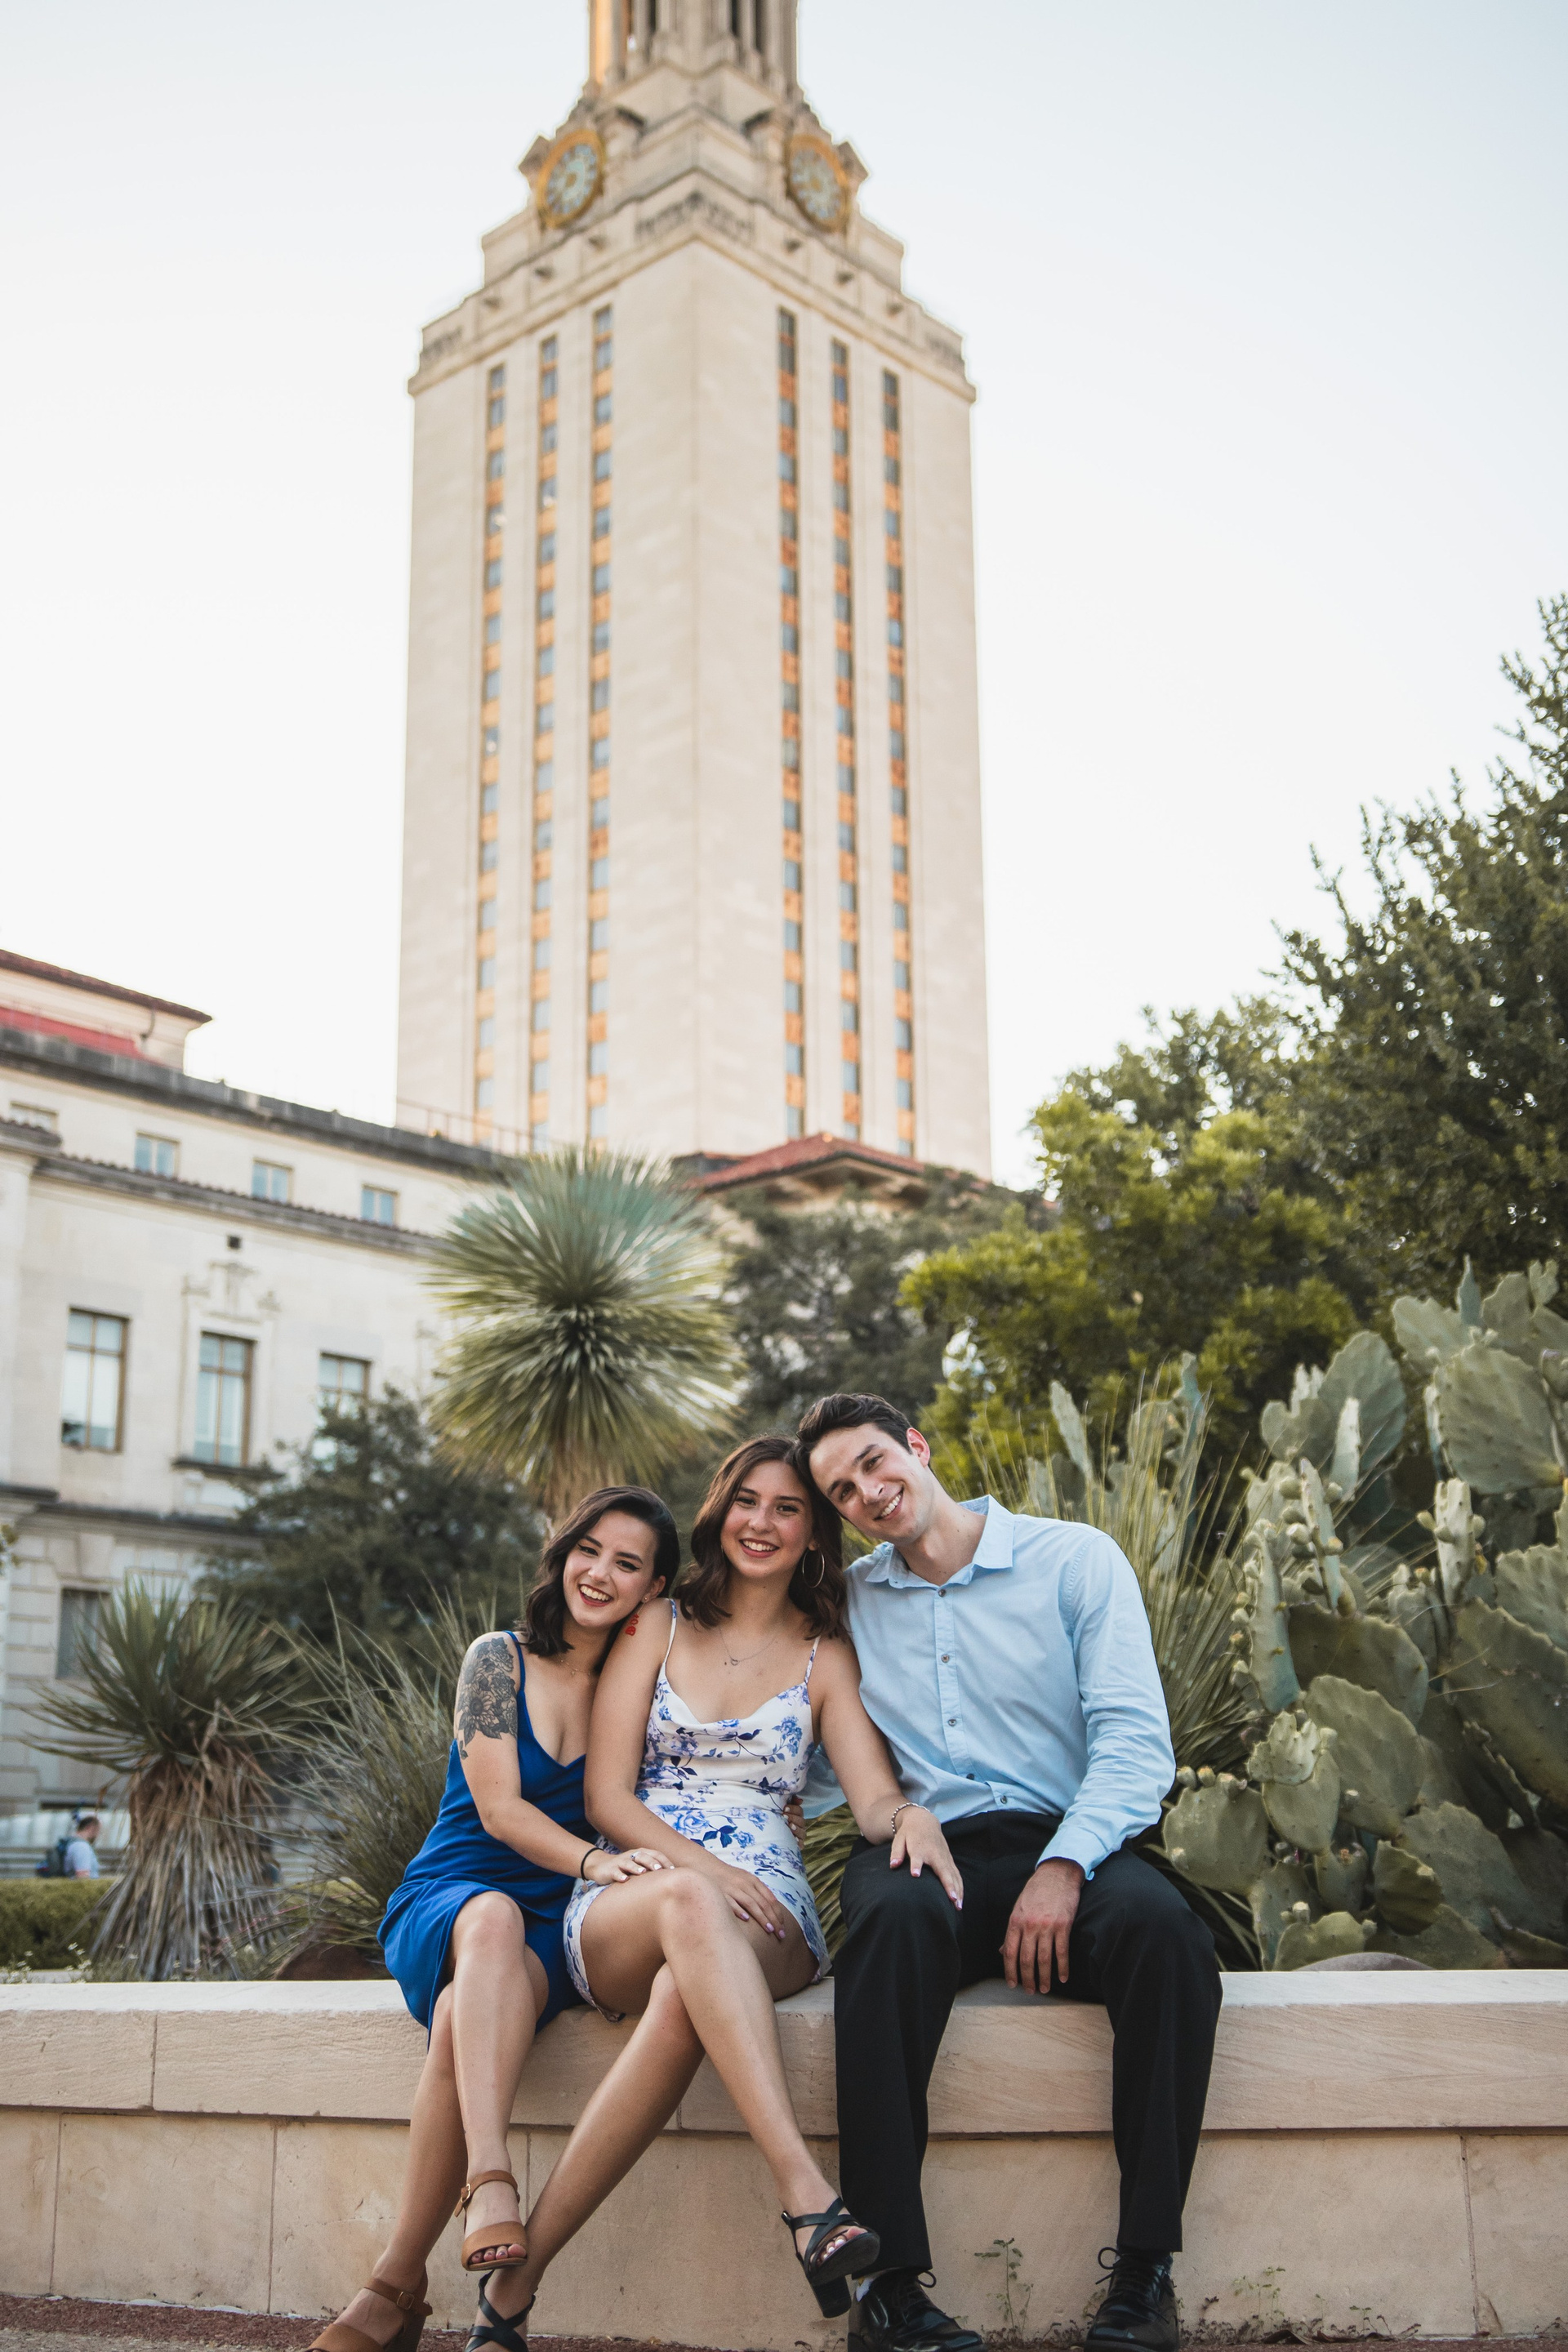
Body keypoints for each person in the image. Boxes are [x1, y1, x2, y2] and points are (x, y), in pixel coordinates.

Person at [466, 1435, 964, 2352]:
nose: (762, 1523)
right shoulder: (655, 1624)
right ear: (719, 1510)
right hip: (639, 1885)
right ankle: (806, 2197)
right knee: (694, 1907)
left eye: (788, 1508)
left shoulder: (826, 1652)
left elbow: (871, 1797)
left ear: (813, 1532)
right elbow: (605, 1798)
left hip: (771, 1910)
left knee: (682, 2002)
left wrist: (910, 1817)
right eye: (747, 1501)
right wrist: (707, 1870)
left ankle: (514, 2292)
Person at [797, 1392, 1223, 2352]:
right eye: (842, 1491)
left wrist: (1066, 1863)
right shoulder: (849, 1605)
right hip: (923, 1849)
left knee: (1167, 1937)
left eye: (874, 1462)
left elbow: (1134, 1744)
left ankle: (1145, 2276)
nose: (867, 1492)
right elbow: (818, 1754)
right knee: (888, 1928)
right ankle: (890, 2290)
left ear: (916, 1446)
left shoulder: (1074, 1560)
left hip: (1065, 1838)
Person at [302, 1486, 679, 2352]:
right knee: (491, 1920)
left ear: (654, 1588)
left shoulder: (643, 1693)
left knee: (458, 2019)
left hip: (554, 1923)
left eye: (627, 1563)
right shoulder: (496, 1660)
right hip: (454, 1890)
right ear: (564, 1553)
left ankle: (393, 2289)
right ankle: (489, 2176)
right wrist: (595, 1862)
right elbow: (502, 1812)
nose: (600, 1573)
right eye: (589, 1550)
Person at [64, 1813, 100, 1877]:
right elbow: (83, 1876)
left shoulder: (73, 1843)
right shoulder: (81, 1847)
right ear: (90, 1828)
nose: (98, 1835)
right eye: (98, 1830)